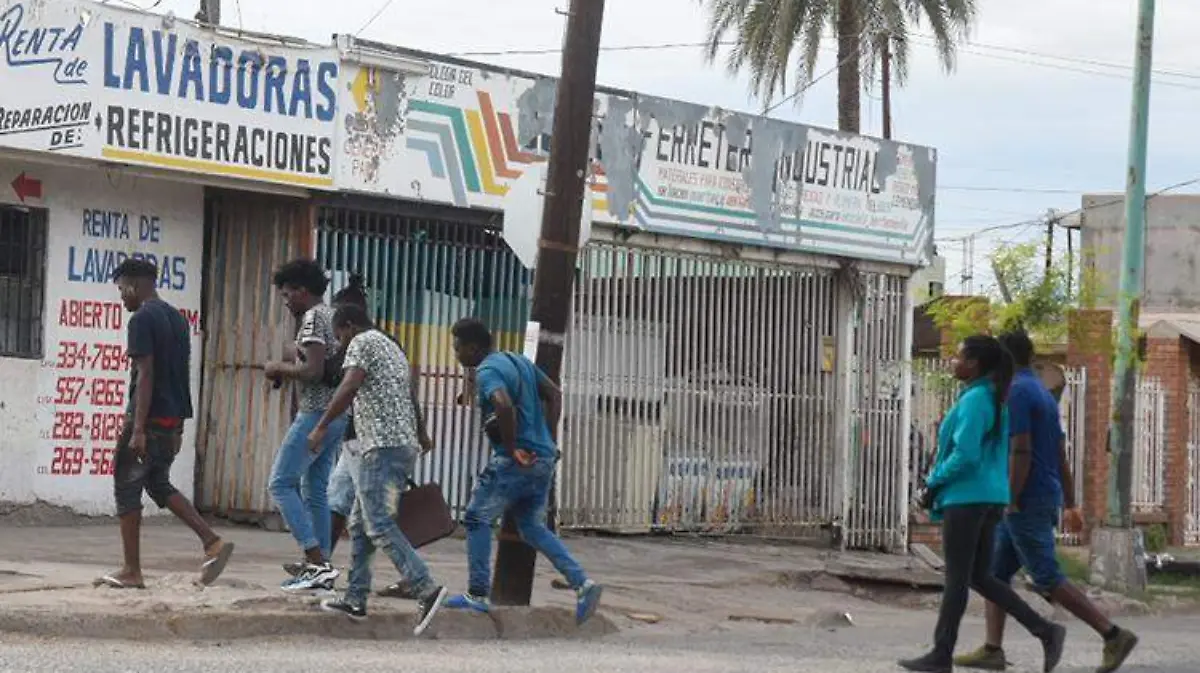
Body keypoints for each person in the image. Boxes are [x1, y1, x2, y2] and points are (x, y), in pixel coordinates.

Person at [955, 331, 1138, 673]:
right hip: (1038, 493)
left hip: (1025, 499)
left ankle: (1112, 634)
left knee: (1045, 575)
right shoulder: (1041, 391)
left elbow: (1021, 450)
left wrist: (1010, 499)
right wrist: (1070, 502)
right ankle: (992, 649)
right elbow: (1059, 452)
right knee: (993, 574)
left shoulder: (1018, 392)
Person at [900, 335, 1066, 673]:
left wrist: (933, 482)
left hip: (967, 497)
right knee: (981, 577)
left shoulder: (976, 399)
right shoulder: (994, 396)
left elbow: (966, 454)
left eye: (959, 357)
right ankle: (1045, 630)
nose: (953, 362)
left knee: (957, 579)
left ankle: (941, 654)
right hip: (990, 497)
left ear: (974, 364)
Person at [446, 317, 602, 625]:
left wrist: (513, 446)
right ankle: (582, 583)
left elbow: (502, 405)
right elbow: (554, 393)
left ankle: (477, 594)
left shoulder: (488, 371)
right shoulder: (518, 361)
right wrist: (548, 438)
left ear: (473, 348)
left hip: (516, 460)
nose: (456, 353)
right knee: (531, 527)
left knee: (476, 517)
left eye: (458, 347)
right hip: (542, 457)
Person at [96, 259, 235, 589]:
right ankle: (212, 542)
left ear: (134, 284)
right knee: (157, 482)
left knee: (126, 486)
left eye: (122, 289)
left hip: (147, 419)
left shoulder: (142, 319)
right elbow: (180, 374)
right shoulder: (177, 318)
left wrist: (138, 428)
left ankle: (131, 570)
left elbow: (146, 374)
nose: (121, 297)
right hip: (171, 419)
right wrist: (180, 426)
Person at [309, 304, 448, 635]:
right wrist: (421, 432)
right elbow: (409, 394)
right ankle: (355, 598)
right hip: (401, 445)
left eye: (339, 336)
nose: (340, 344)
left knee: (378, 524)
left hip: (381, 447)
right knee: (360, 524)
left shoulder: (361, 342)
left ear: (349, 326)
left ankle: (426, 588)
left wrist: (321, 426)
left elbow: (349, 385)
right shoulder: (391, 346)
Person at [264, 259, 348, 592]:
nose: (286, 302)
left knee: (281, 483)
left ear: (302, 290)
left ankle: (315, 560)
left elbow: (313, 371)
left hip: (316, 414)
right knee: (315, 490)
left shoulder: (313, 318)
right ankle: (321, 566)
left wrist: (278, 368)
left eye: (287, 294)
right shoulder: (332, 316)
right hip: (337, 414)